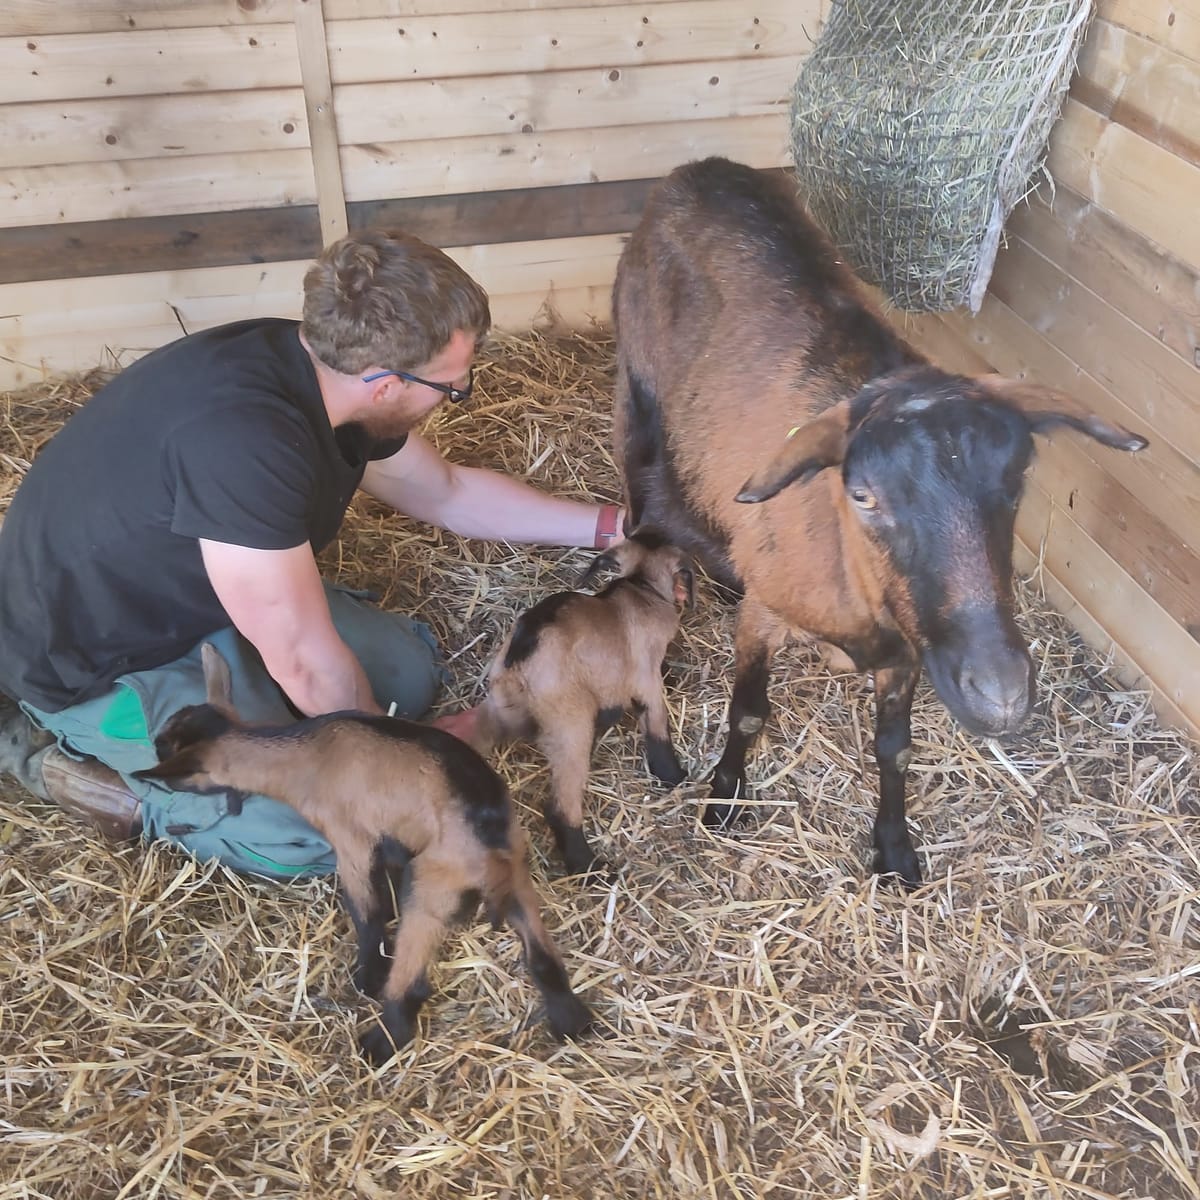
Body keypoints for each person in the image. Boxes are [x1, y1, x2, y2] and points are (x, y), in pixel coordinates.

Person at [0, 228, 624, 880]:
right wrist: (402, 765)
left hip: (196, 603)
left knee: (406, 675)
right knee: (329, 832)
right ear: (386, 383)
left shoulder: (326, 375)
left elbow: (446, 492)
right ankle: (71, 771)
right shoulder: (247, 441)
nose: (455, 392)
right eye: (452, 383)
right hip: (94, 660)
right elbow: (302, 659)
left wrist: (614, 527)